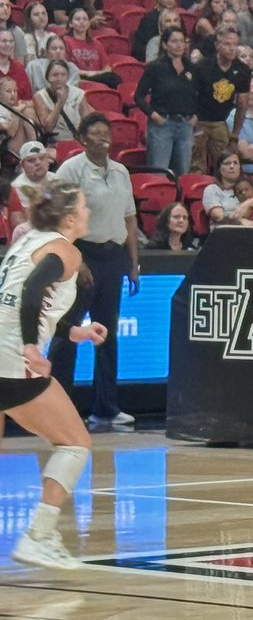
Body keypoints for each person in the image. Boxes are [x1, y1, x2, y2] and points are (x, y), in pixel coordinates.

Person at [4, 179, 111, 569]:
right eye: (83, 207)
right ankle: (40, 536)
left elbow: (24, 296)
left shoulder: (27, 241)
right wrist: (32, 345)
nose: (87, 212)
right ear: (69, 217)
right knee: (75, 443)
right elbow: (32, 291)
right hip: (12, 359)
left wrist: (73, 330)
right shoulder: (65, 250)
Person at [49, 113, 138, 431]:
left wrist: (133, 262)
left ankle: (106, 407)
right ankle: (58, 407)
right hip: (81, 254)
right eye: (96, 133)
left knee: (107, 332)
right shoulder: (71, 169)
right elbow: (59, 219)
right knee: (68, 331)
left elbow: (129, 218)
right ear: (83, 138)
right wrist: (77, 261)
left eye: (107, 132)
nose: (103, 137)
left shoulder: (120, 171)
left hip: (113, 255)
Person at [134, 27, 196, 176]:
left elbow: (199, 95)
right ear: (164, 44)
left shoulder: (192, 68)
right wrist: (153, 115)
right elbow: (138, 96)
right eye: (174, 41)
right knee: (158, 172)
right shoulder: (155, 68)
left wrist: (196, 115)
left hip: (185, 126)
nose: (179, 45)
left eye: (182, 41)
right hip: (162, 125)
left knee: (183, 174)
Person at [191, 25, 250, 174]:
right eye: (227, 44)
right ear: (217, 45)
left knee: (225, 162)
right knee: (197, 166)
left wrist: (235, 135)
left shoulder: (243, 70)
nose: (232, 48)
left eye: (235, 44)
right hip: (199, 120)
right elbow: (191, 96)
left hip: (220, 122)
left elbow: (242, 104)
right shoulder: (202, 67)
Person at [33, 57, 91, 145]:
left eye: (63, 75)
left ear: (68, 77)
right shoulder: (40, 96)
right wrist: (59, 103)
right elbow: (47, 128)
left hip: (77, 140)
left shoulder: (78, 94)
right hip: (55, 143)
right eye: (55, 75)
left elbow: (88, 122)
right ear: (48, 77)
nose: (59, 78)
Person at [203, 151, 253, 225]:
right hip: (225, 230)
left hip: (252, 226)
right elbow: (218, 216)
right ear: (219, 168)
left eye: (235, 163)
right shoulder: (212, 189)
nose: (232, 166)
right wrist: (239, 222)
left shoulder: (247, 184)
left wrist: (246, 204)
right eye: (227, 163)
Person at [8, 140, 54, 228]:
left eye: (42, 158)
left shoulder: (56, 178)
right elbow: (26, 219)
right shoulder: (17, 187)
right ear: (22, 165)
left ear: (48, 160)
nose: (38, 163)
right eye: (31, 160)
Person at [62, 8, 114, 84]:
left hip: (97, 76)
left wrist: (96, 73)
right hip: (78, 76)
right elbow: (64, 66)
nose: (82, 22)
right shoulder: (65, 41)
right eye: (78, 19)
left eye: (85, 19)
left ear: (89, 23)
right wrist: (86, 73)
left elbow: (107, 68)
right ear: (71, 24)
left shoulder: (97, 44)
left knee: (114, 78)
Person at [230, 76, 253, 165]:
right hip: (247, 173)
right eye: (247, 88)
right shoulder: (233, 117)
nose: (252, 91)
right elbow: (245, 153)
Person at [0, 75, 36, 156]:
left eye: (15, 91)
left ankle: (35, 145)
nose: (13, 94)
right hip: (6, 146)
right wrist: (17, 111)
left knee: (27, 111)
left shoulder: (17, 106)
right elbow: (9, 131)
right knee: (23, 113)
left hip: (22, 141)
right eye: (8, 91)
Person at [0, 29, 31, 99]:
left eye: (11, 41)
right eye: (4, 41)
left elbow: (29, 99)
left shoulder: (18, 67)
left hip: (18, 108)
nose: (8, 44)